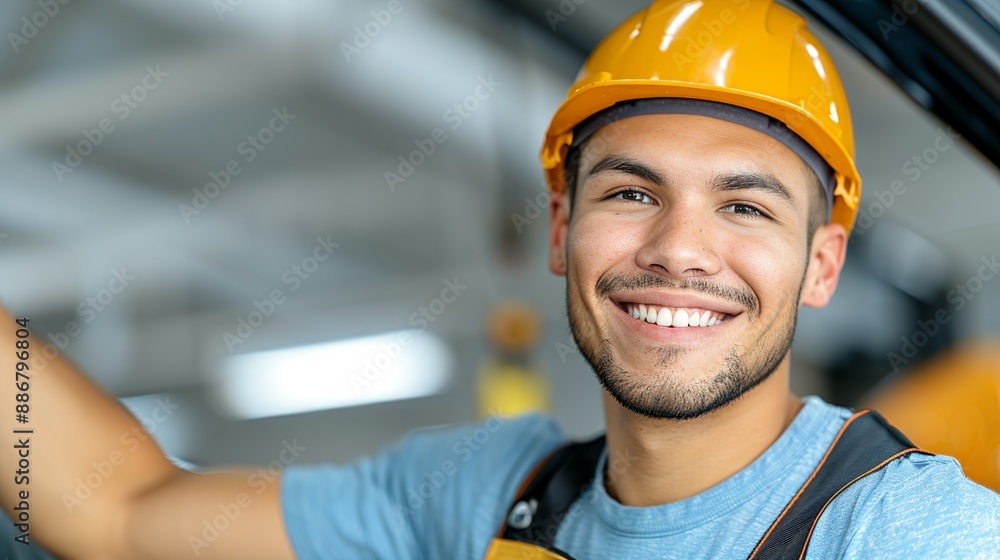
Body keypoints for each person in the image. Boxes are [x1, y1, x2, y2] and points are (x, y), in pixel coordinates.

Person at [3, 0, 998, 558]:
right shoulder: (485, 492)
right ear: (563, 225)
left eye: (744, 205)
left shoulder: (906, 532)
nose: (678, 248)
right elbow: (117, 511)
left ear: (821, 262)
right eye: (630, 192)